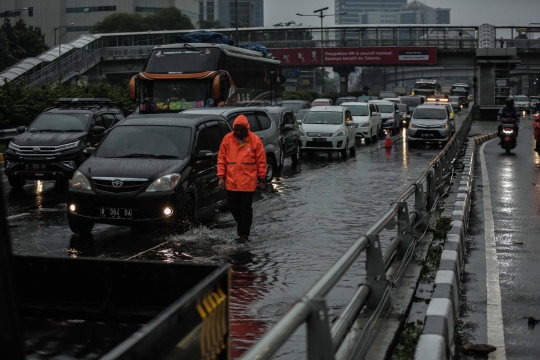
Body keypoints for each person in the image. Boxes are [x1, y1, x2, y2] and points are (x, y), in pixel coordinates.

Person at [218, 115, 266, 243]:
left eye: (241, 130)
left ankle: (244, 234)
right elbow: (221, 159)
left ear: (247, 129)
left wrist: (261, 179)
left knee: (245, 208)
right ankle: (243, 225)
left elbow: (261, 161)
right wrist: (221, 177)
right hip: (232, 182)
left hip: (248, 183)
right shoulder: (227, 139)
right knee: (232, 207)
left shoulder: (255, 141)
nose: (238, 133)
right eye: (236, 130)